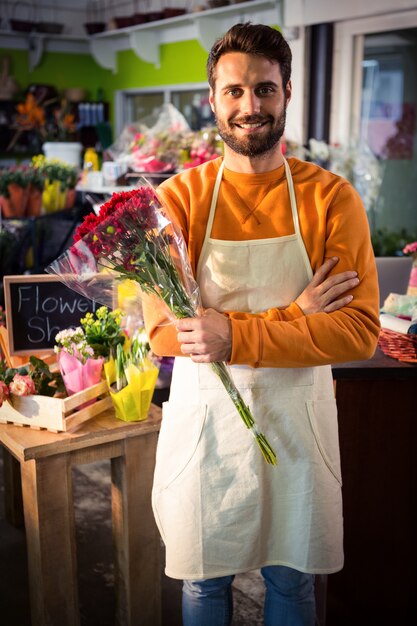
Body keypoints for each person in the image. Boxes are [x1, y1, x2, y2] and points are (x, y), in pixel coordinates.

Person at [144, 22, 380, 626]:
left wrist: (235, 335)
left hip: (296, 428)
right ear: (214, 100)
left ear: (288, 94)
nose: (251, 106)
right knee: (204, 587)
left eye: (265, 90)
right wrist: (296, 317)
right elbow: (163, 332)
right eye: (235, 92)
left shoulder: (332, 199)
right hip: (207, 432)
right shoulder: (179, 200)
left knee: (291, 583)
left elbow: (356, 331)